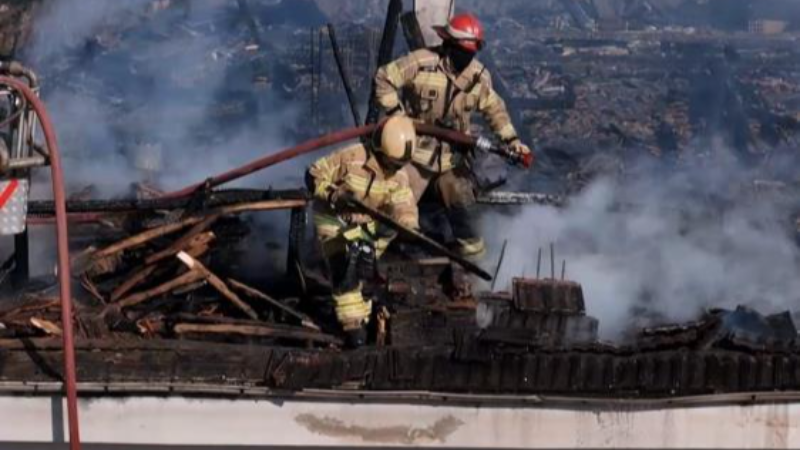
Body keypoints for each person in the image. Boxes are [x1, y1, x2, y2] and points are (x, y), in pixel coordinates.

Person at [374, 12, 532, 259]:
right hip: (413, 158)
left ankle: (473, 260)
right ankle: (371, 259)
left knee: (462, 199)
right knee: (395, 207)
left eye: (470, 53)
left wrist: (512, 141)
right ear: (448, 44)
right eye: (461, 51)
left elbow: (495, 110)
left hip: (451, 161)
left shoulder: (478, 77)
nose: (465, 58)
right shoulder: (421, 62)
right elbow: (384, 77)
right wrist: (397, 117)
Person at [306, 116, 419, 347]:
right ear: (379, 150)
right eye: (390, 163)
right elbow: (313, 173)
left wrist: (409, 226)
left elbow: (404, 205)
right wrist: (334, 195)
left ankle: (365, 307)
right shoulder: (352, 157)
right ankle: (352, 325)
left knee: (365, 262)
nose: (393, 169)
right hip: (333, 219)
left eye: (399, 165)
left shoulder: (399, 175)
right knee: (345, 265)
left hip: (365, 228)